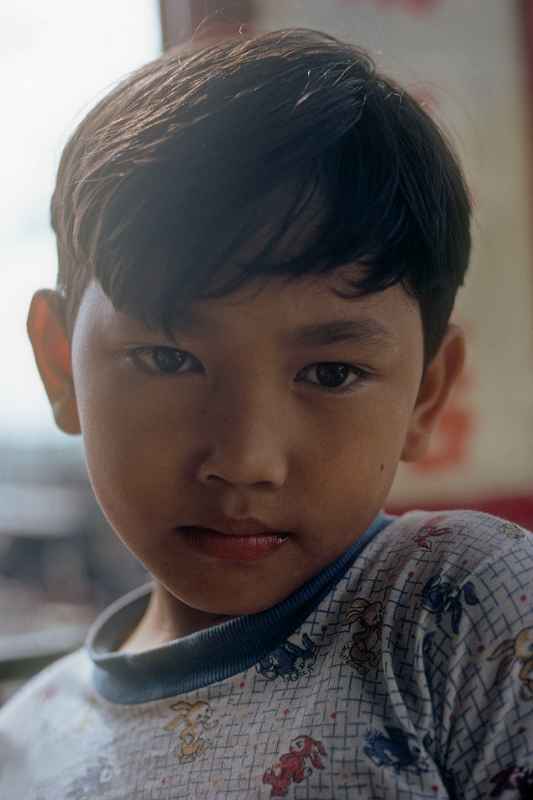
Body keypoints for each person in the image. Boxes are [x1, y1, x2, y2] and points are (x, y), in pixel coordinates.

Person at [1, 27, 532, 799]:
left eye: (330, 372)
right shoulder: (25, 743)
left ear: (424, 392)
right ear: (59, 365)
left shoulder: (453, 611)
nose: (245, 459)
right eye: (168, 359)